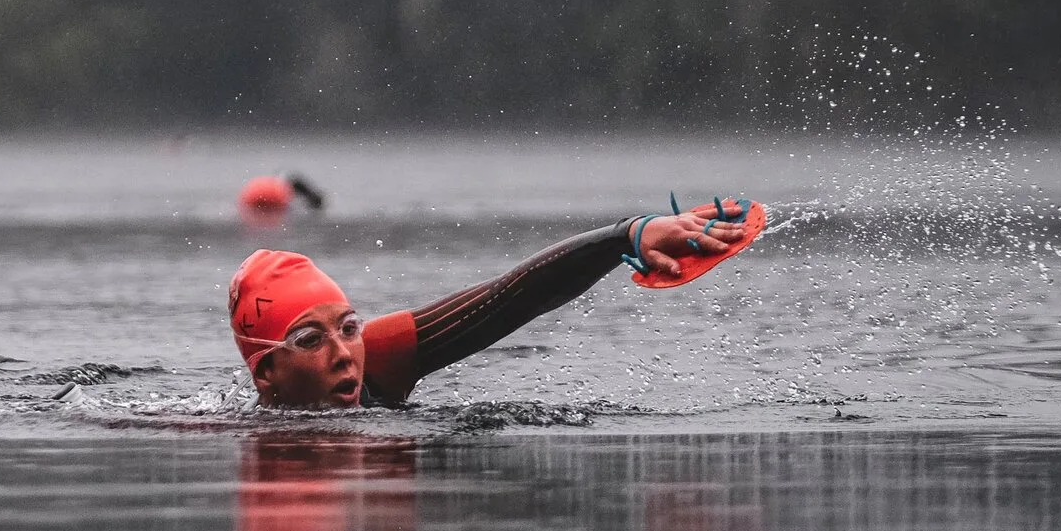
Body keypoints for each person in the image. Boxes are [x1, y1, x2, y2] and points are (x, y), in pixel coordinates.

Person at [228, 200, 755, 408]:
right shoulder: (243, 447)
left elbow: (507, 299)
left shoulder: (379, 360)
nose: (344, 353)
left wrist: (627, 237)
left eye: (348, 327)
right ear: (267, 372)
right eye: (310, 339)